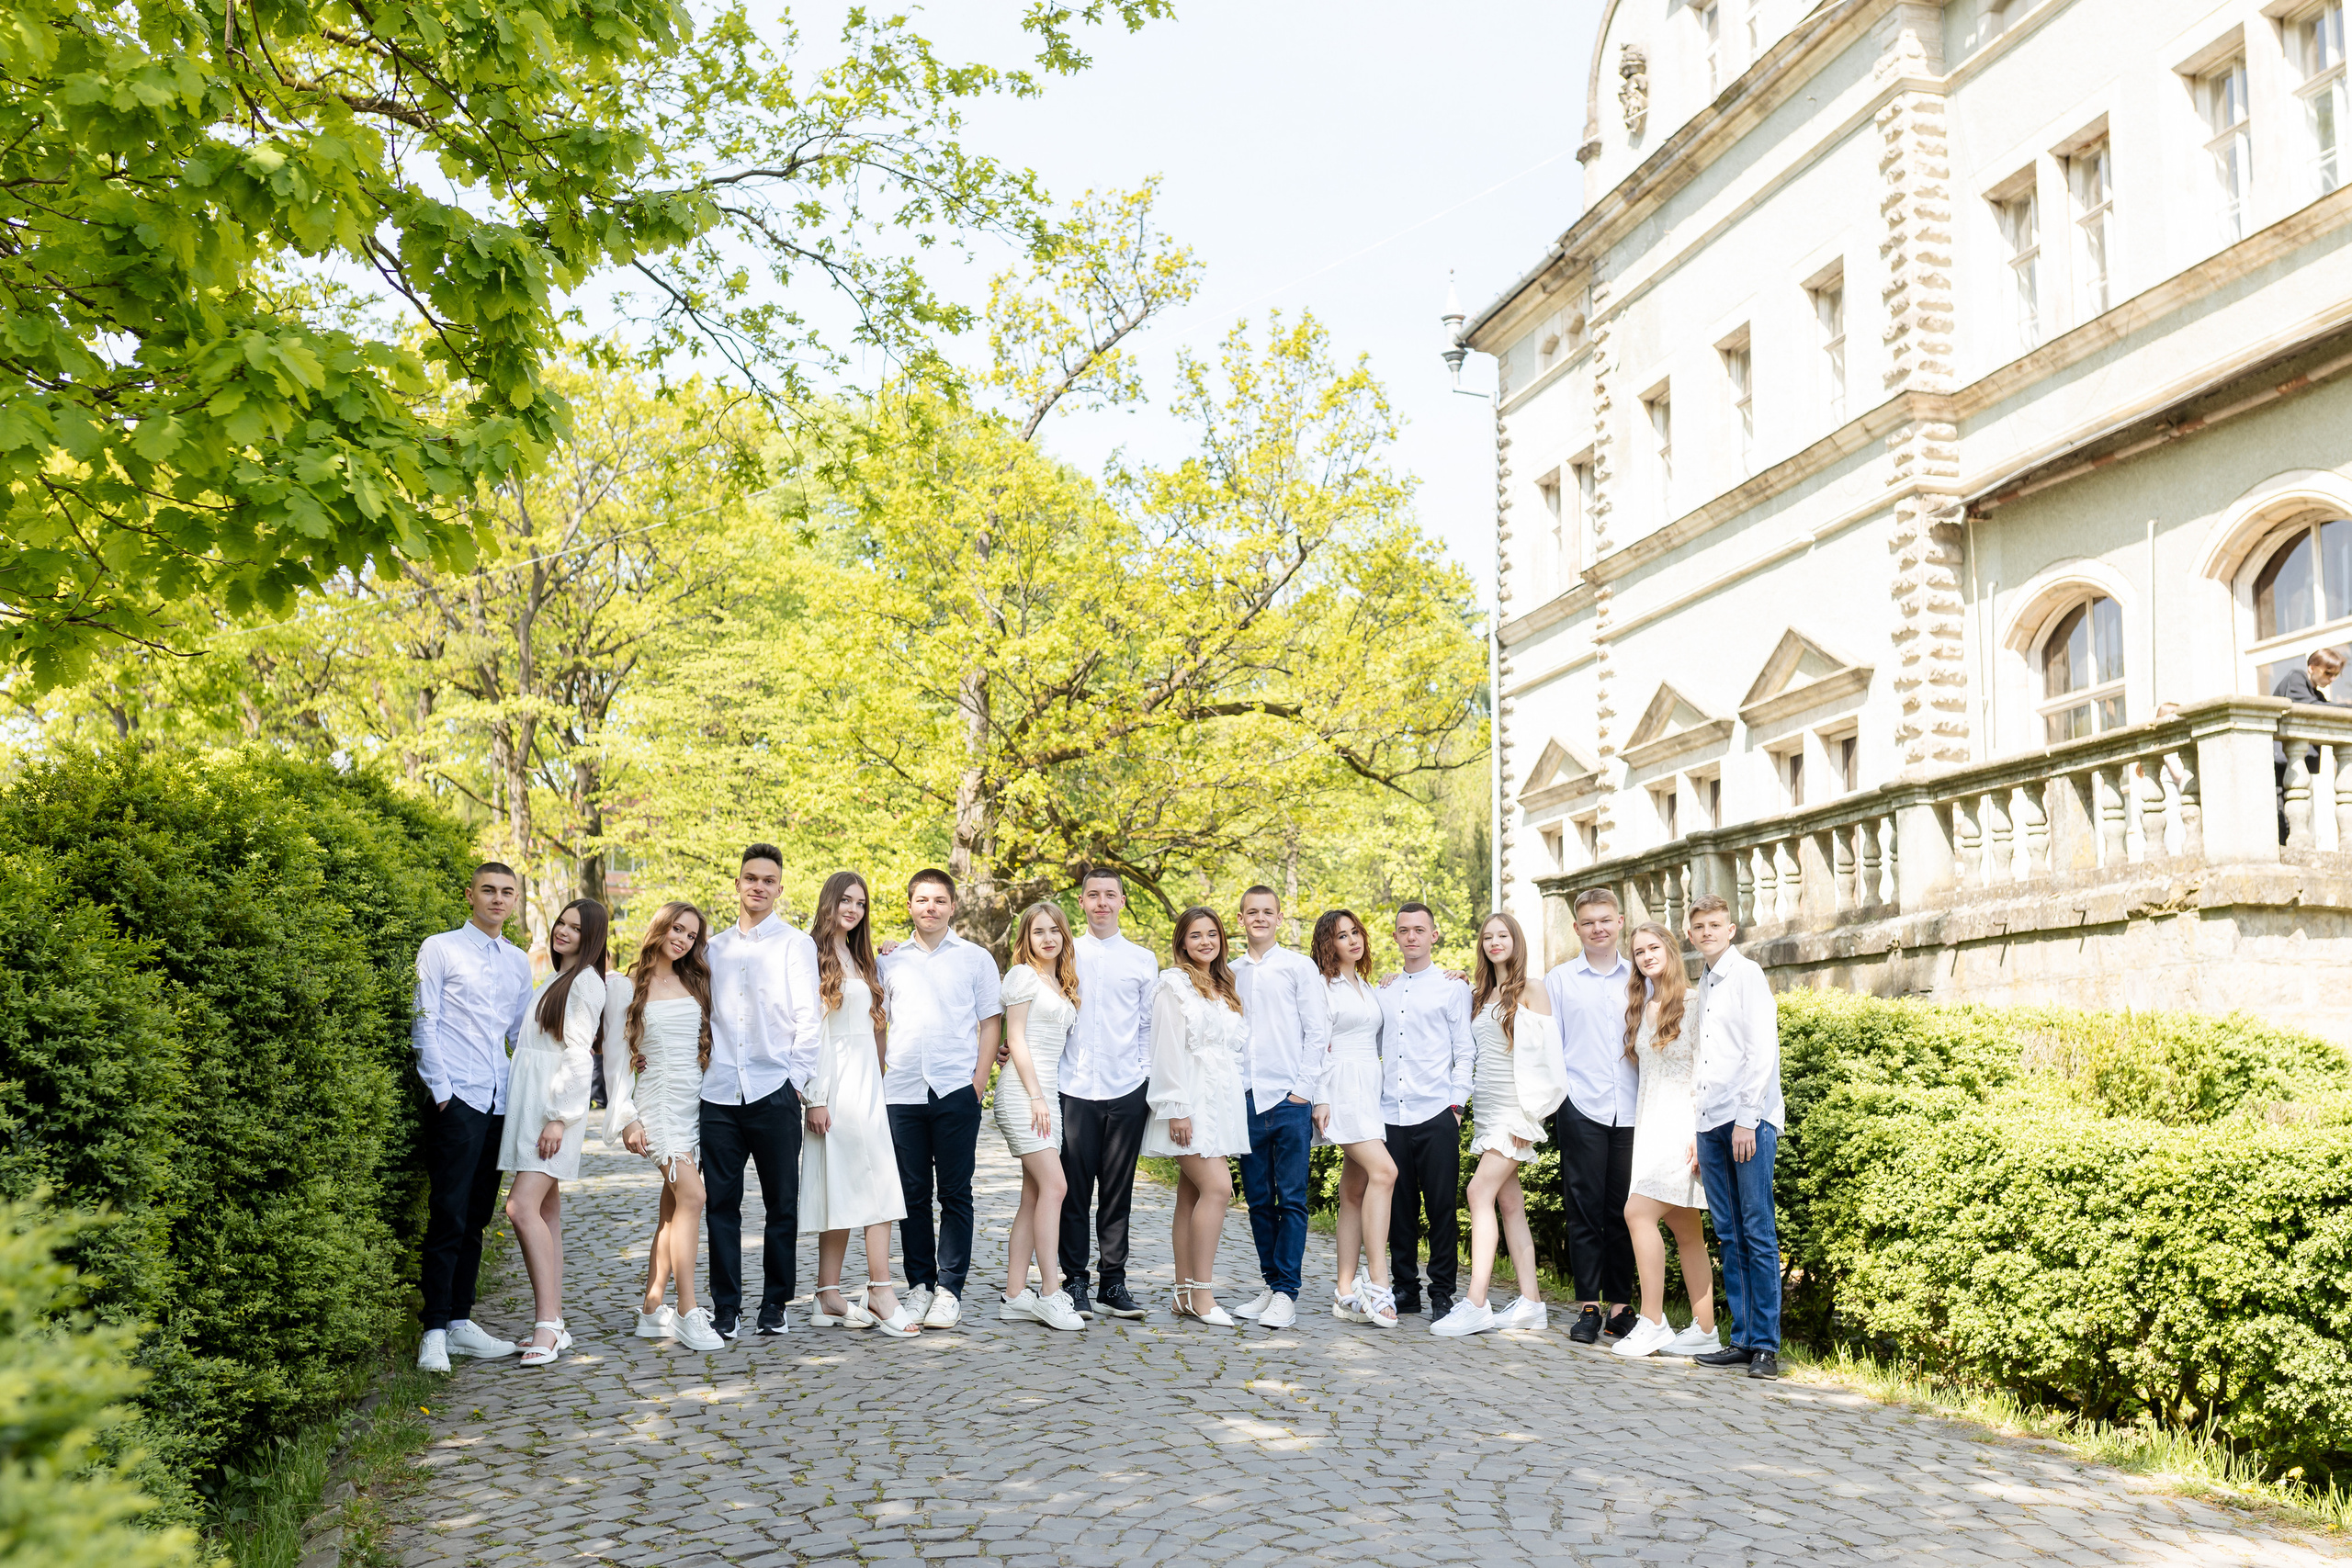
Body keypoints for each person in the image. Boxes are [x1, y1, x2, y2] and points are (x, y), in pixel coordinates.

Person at [413, 863, 536, 1373]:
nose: (498, 899)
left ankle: (461, 1323)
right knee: (448, 1216)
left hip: (499, 1104)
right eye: (488, 890)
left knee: (478, 1219)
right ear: (470, 895)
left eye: (507, 892)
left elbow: (520, 1036)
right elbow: (425, 1023)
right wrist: (443, 1095)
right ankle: (434, 1333)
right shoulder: (439, 948)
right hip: (457, 1101)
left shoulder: (517, 962)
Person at [702, 843, 822, 1339]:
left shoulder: (796, 945)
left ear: (779, 886)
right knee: (720, 1207)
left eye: (768, 880)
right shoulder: (711, 948)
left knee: (782, 1205)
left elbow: (808, 1021)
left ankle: (775, 1305)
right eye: (750, 877)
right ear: (737, 883)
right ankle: (725, 1308)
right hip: (718, 1095)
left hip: (774, 1091)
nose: (758, 886)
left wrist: (793, 1084)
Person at [879, 869, 1003, 1330]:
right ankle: (919, 1287)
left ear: (953, 906)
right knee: (911, 1193)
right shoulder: (888, 961)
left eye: (939, 901)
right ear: (909, 905)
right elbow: (879, 1025)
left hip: (956, 1089)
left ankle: (950, 1289)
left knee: (955, 1193)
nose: (930, 907)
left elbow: (991, 1022)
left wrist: (978, 1082)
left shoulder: (975, 959)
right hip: (903, 1091)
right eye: (921, 900)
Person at [1432, 913, 1566, 1337]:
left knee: (1477, 1192)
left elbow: (1549, 1060)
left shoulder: (1533, 989)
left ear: (1516, 939)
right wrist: (1453, 981)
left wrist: (1534, 1115)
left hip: (1515, 1108)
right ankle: (1531, 1304)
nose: (1494, 942)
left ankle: (1475, 1302)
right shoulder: (1480, 993)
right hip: (1487, 1110)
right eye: (1487, 937)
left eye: (1502, 935)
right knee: (1510, 1206)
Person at [604, 901, 727, 1353]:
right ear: (660, 927)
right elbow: (616, 1062)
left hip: (692, 1104)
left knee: (672, 1210)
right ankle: (690, 1311)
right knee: (694, 1196)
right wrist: (627, 1118)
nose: (683, 939)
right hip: (655, 1105)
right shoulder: (625, 986)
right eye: (677, 929)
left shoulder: (695, 980)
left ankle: (652, 1309)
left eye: (692, 935)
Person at [799, 872, 918, 1337]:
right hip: (834, 1082)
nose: (853, 909)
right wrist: (816, 1097)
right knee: (875, 1185)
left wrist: (890, 950)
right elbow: (809, 1033)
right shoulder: (809, 955)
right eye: (845, 900)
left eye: (861, 903)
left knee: (846, 1189)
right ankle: (881, 1290)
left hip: (868, 1078)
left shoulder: (864, 955)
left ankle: (828, 1295)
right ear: (828, 901)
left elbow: (878, 1024)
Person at [499, 897, 610, 1366]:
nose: (563, 931)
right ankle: (554, 1323)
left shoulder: (584, 984)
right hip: (533, 1107)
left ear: (592, 938)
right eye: (561, 923)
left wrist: (560, 1117)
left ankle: (548, 1324)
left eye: (575, 928)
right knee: (545, 1212)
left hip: (551, 1112)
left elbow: (579, 1055)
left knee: (520, 1207)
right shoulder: (557, 977)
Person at [1610, 921, 1723, 1360]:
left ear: (1671, 950)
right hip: (1649, 1129)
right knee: (1685, 1228)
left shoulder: (1694, 1004)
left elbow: (1705, 1071)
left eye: (1653, 947)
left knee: (1636, 1212)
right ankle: (1706, 1329)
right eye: (1638, 952)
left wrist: (1701, 1131)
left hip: (1682, 1129)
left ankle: (1653, 1321)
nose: (1645, 956)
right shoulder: (1642, 1005)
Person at [1685, 894, 1787, 1380]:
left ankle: (1766, 1346)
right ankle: (1742, 1338)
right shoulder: (1705, 981)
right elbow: (1705, 1061)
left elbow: (1760, 1051)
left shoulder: (1746, 976)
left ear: (1731, 929)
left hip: (1747, 1120)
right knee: (1728, 1233)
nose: (1707, 932)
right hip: (1711, 1121)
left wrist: (1747, 1118)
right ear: (1691, 934)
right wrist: (1699, 1126)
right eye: (1699, 926)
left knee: (1757, 1230)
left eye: (1715, 925)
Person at [1058, 867, 1159, 1321]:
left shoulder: (1141, 959)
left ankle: (1112, 1281)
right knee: (1073, 1191)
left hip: (1126, 1089)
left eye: (1110, 895)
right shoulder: (1064, 952)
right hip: (1073, 1087)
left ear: (1122, 902)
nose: (1101, 902)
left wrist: (1142, 1077)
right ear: (1081, 902)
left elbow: (1146, 1026)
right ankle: (1074, 1280)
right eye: (1093, 895)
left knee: (1118, 1191)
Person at [1227, 886, 1329, 1330]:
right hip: (1245, 1099)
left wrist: (1305, 1090)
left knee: (1290, 1199)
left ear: (1280, 917)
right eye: (1253, 912)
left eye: (1268, 912)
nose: (1261, 918)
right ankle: (1271, 1286)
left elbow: (1317, 1028)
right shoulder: (1229, 972)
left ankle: (1287, 1292)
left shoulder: (1298, 967)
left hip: (1289, 1099)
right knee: (1256, 1201)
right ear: (1241, 919)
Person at [1146, 906, 1252, 1326]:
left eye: (1212, 934)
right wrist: (1176, 1109)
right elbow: (1166, 1047)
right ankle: (1204, 1295)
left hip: (1219, 1102)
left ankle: (1183, 1294)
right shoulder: (1174, 984)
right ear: (1182, 943)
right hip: (1187, 1102)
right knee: (1218, 1188)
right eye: (1195, 935)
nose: (1205, 942)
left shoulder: (1225, 986)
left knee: (1190, 1196)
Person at [1542, 887, 1639, 1345]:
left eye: (1606, 919)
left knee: (1625, 1210)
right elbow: (1549, 1045)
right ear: (1577, 928)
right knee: (1583, 1210)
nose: (1598, 927)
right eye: (1588, 922)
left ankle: (1621, 1307)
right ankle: (1588, 1307)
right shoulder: (1560, 980)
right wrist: (1563, 1102)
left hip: (1635, 1107)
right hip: (1581, 1105)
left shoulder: (1642, 975)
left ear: (1620, 921)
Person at [993, 902, 1086, 1332]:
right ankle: (1050, 1291)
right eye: (1038, 932)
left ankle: (1014, 1295)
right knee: (1056, 1185)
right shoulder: (1023, 976)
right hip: (1024, 1092)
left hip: (1047, 1092)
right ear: (1025, 939)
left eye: (1055, 930)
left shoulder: (1061, 981)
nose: (1047, 938)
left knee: (1033, 1196)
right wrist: (1034, 1096)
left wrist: (1044, 1095)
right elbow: (1015, 1038)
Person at [1379, 902, 1475, 1319]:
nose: (1412, 936)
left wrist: (1455, 1106)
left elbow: (1465, 1052)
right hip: (1390, 1114)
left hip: (1437, 1111)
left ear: (1434, 936)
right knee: (1398, 1208)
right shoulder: (1382, 990)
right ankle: (1405, 1289)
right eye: (1404, 930)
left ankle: (1441, 1293)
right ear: (1396, 937)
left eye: (1420, 929)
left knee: (1440, 1209)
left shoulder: (1453, 987)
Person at [1310, 908, 1399, 1329]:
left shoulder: (1366, 984)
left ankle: (1344, 1288)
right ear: (1328, 945)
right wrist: (1320, 1098)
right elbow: (1318, 1044)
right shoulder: (1322, 988)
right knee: (1385, 1172)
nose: (1352, 940)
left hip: (1370, 1090)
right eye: (1342, 935)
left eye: (1356, 932)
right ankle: (1379, 1282)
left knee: (1354, 1191)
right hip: (1340, 1088)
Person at [2274, 648, 2345, 841]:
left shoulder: (2313, 692)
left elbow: (2324, 706)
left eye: (2335, 675)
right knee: (2282, 815)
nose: (2331, 679)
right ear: (2312, 667)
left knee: (2295, 813)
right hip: (2280, 762)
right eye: (2327, 672)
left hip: (2290, 763)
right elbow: (2311, 707)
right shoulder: (2296, 678)